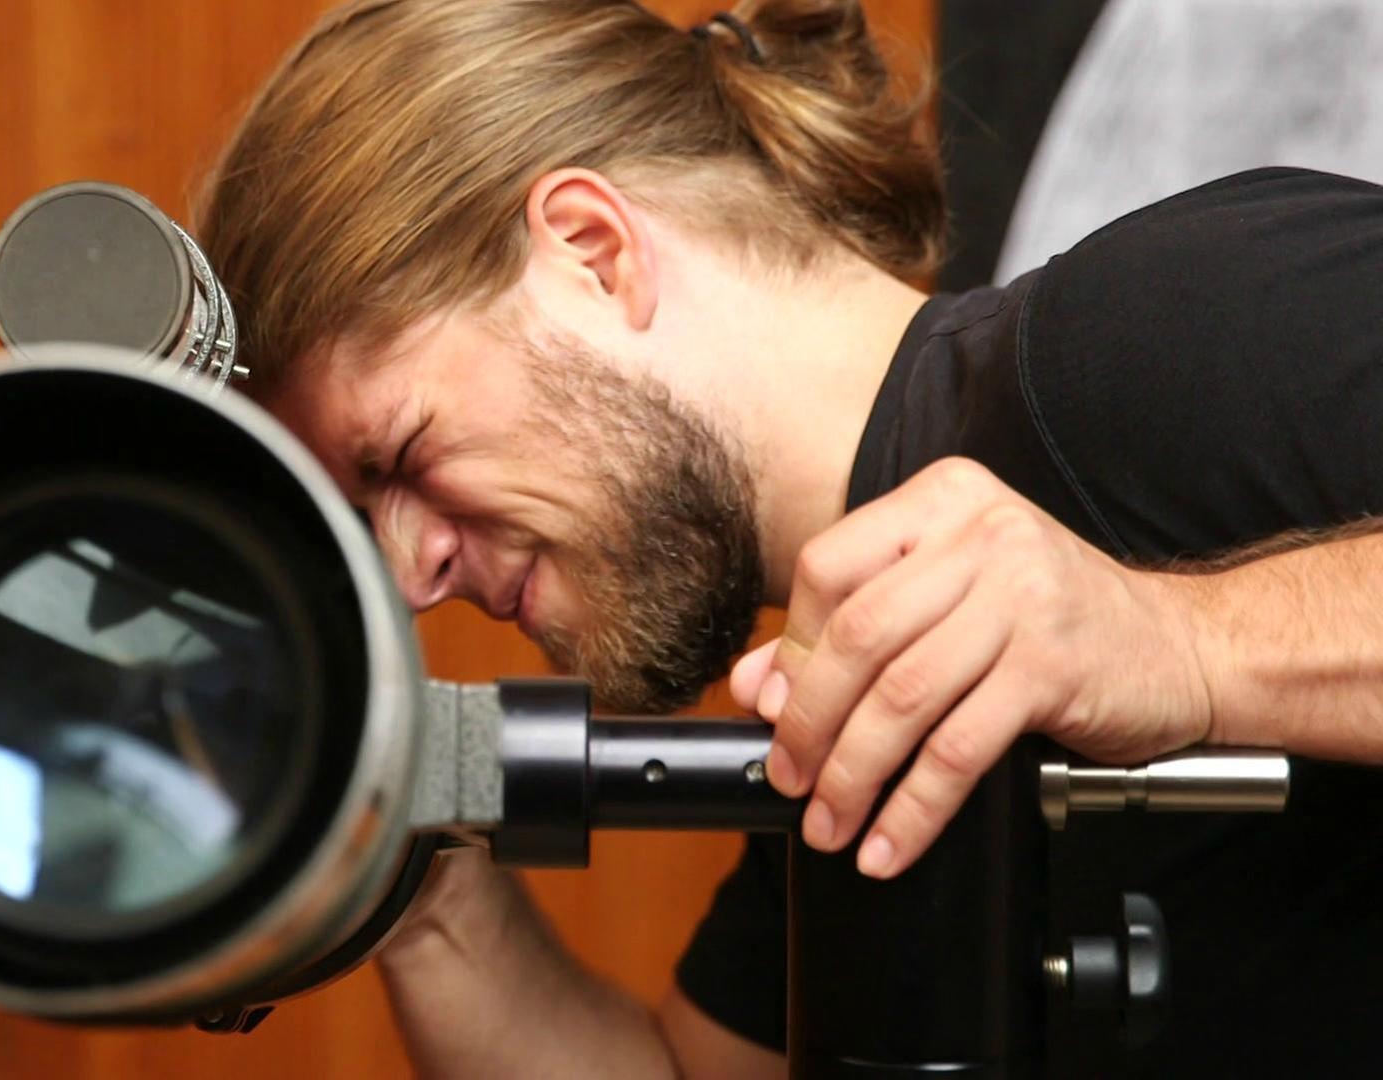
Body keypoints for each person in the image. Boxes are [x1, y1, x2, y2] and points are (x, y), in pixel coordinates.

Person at [195, 0, 1383, 1075]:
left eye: (401, 454)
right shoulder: (853, 677)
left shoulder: (1159, 330)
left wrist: (1185, 643)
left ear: (593, 253)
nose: (409, 575)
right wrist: (412, 877)